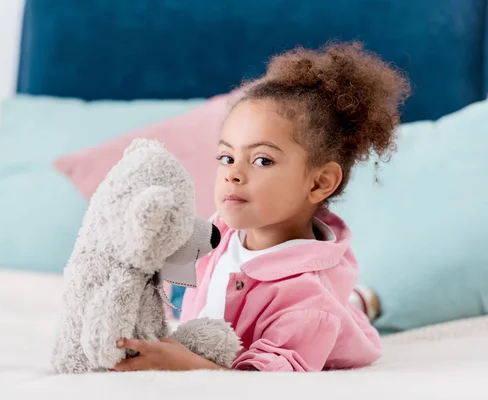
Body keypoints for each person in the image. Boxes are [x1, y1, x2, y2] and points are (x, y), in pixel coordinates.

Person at [114, 41, 410, 372]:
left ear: (319, 182)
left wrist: (188, 365)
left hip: (315, 321)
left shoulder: (309, 305)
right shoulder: (220, 229)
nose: (233, 175)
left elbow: (266, 379)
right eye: (227, 157)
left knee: (344, 312)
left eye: (262, 160)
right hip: (223, 303)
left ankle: (363, 300)